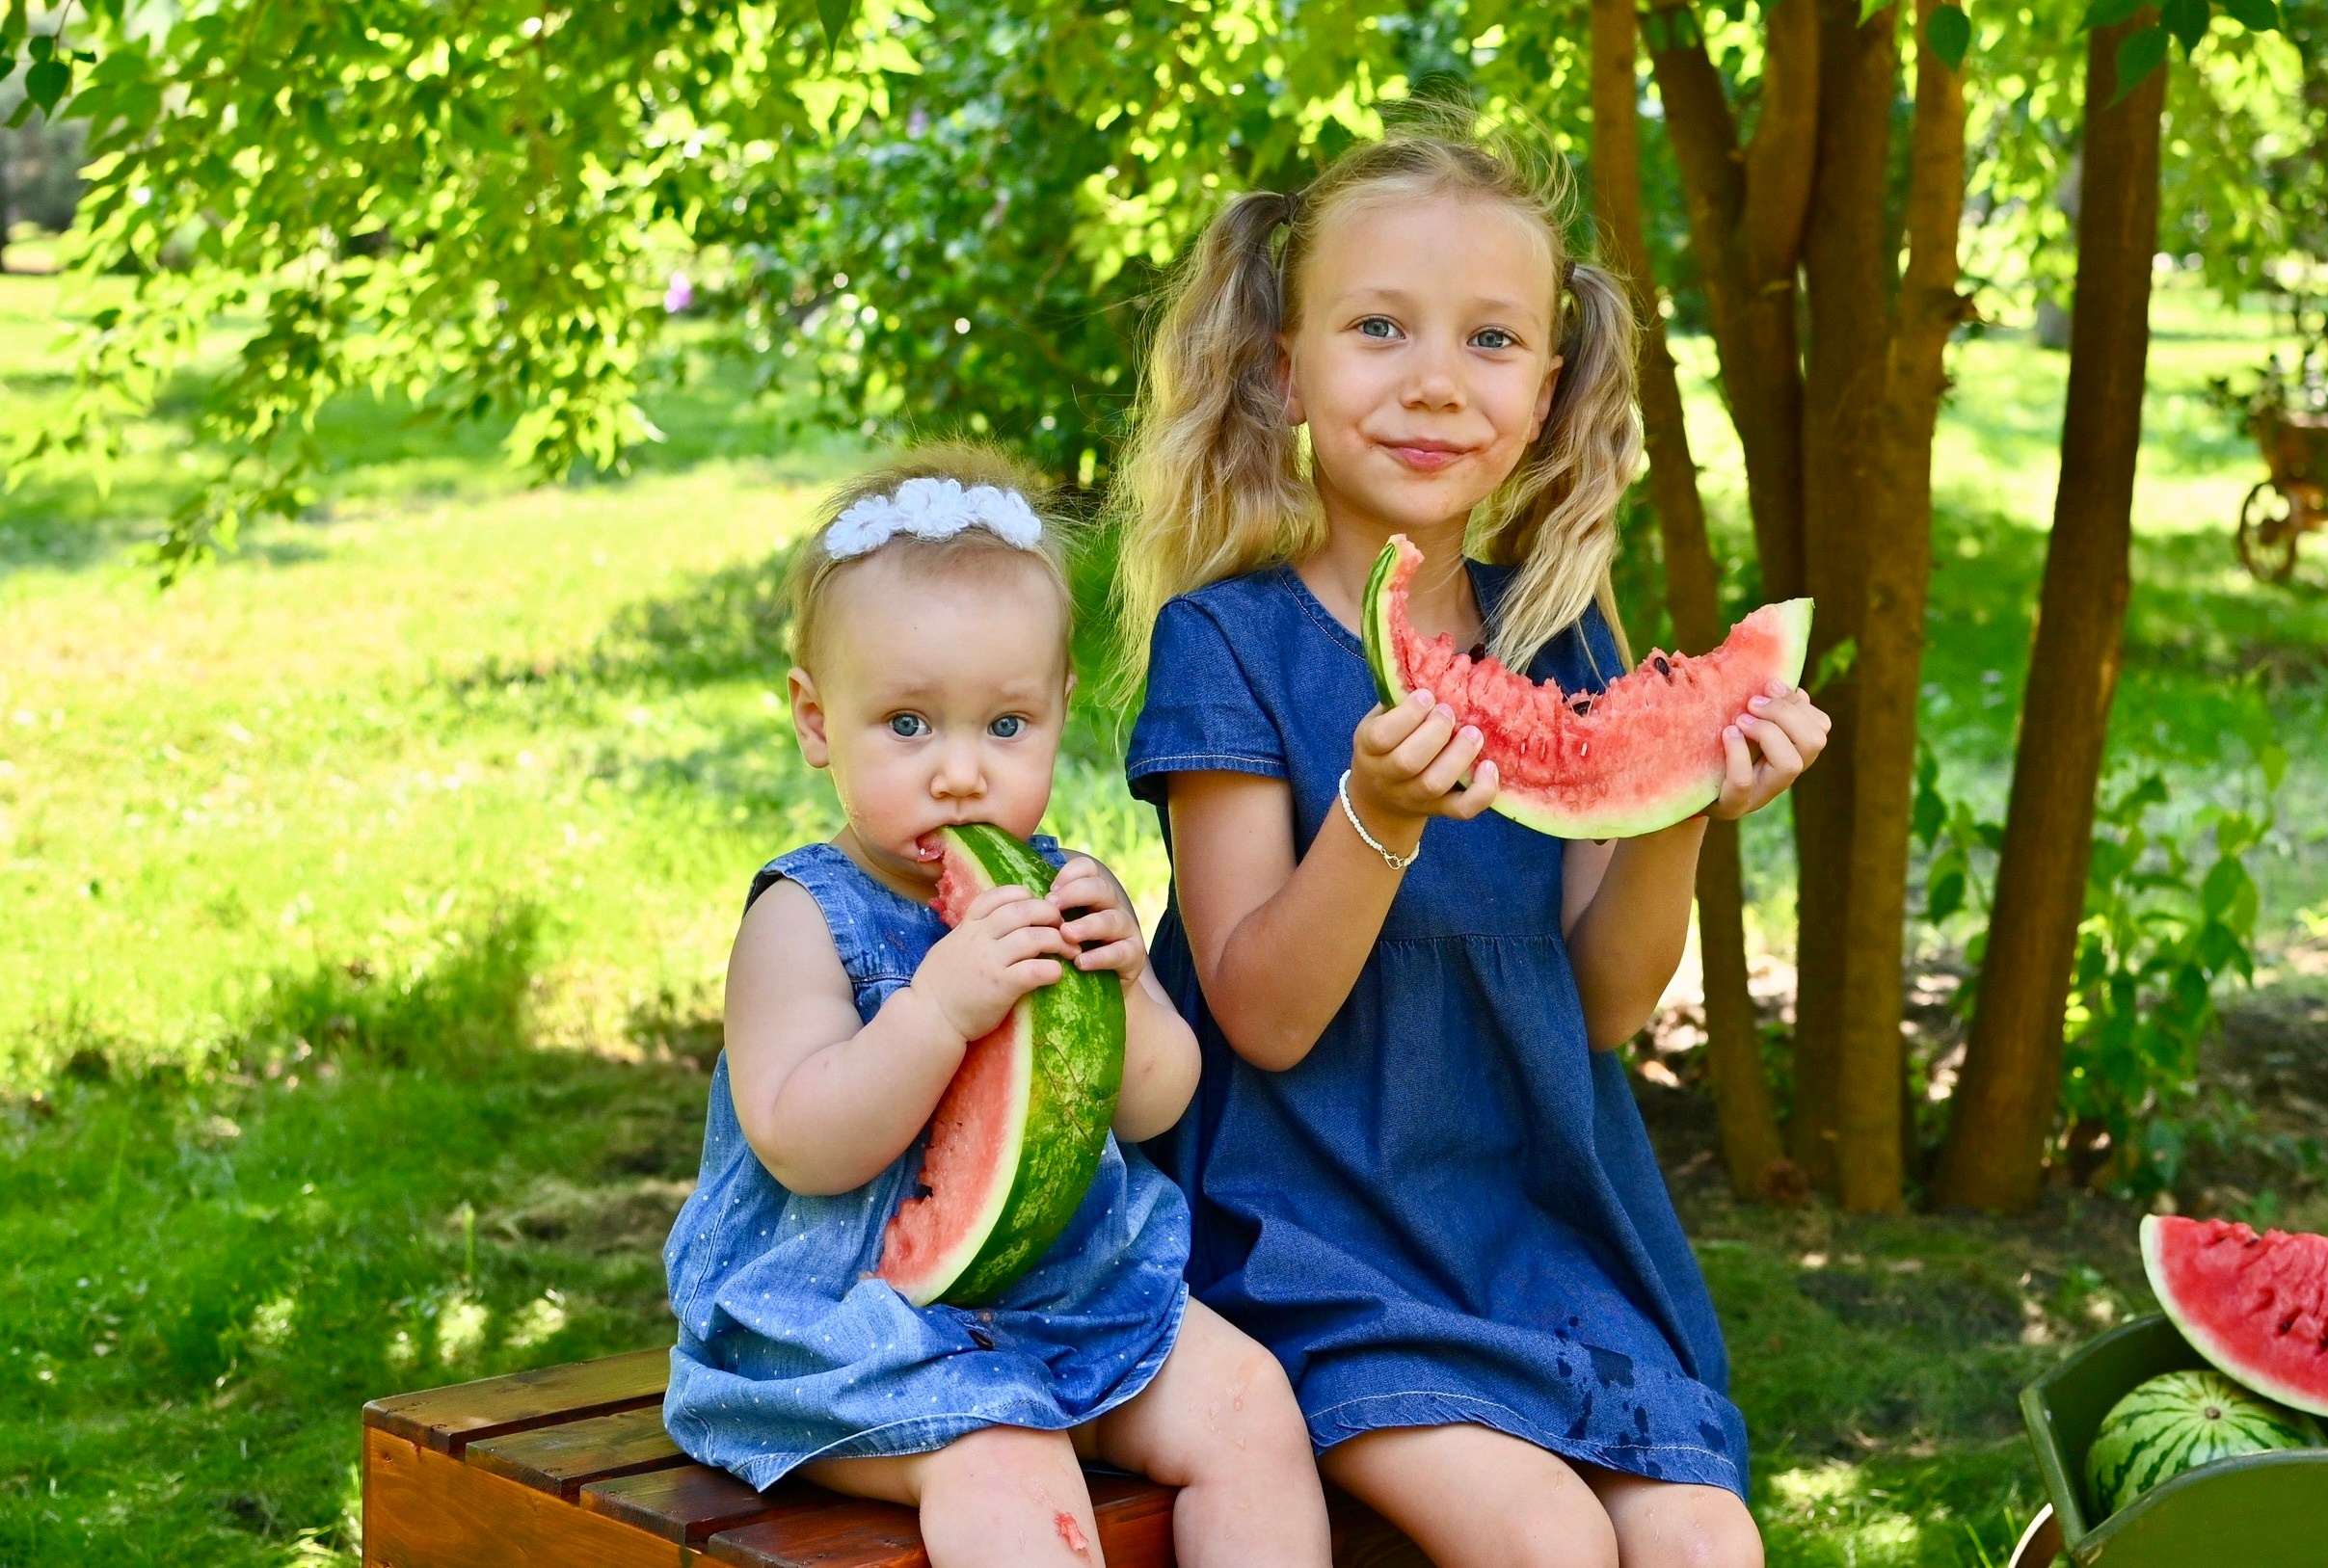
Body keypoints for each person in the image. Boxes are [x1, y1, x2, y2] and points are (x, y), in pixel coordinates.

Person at [1111, 123, 1831, 1568]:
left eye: (1492, 339)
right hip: (1311, 1234)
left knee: (1707, 1541)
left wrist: (1675, 795)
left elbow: (1610, 1003)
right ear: (1284, 368)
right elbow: (1263, 1009)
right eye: (1380, 328)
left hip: (1541, 1234)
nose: (1436, 380)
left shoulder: (1561, 635)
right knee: (1545, 1539)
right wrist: (1372, 820)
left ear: (1548, 391)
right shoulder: (1230, 644)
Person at [664, 445, 1330, 1568]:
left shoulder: (1056, 885)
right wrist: (933, 1012)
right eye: (909, 726)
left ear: (1061, 710)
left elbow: (1151, 1106)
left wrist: (1124, 984)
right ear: (816, 720)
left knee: (1251, 1404)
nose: (962, 773)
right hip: (844, 1324)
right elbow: (801, 1143)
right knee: (1009, 1459)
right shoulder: (802, 917)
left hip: (1065, 1292)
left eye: (1005, 726)